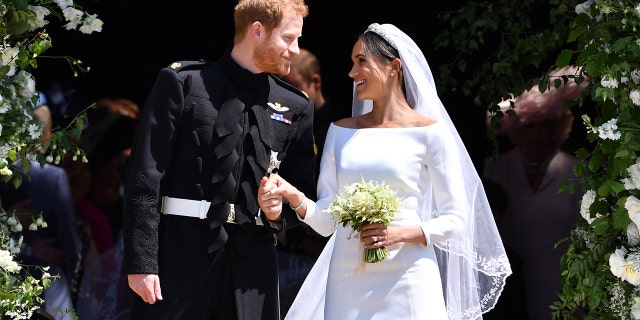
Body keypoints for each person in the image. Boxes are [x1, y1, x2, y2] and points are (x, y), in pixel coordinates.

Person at [258, 23, 512, 320]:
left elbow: (456, 219)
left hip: (410, 276)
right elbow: (327, 221)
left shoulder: (431, 134)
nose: (352, 73)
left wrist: (398, 233)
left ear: (394, 67)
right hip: (347, 278)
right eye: (353, 63)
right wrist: (293, 195)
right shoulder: (339, 132)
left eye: (361, 61)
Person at [121, 0, 316, 319]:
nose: (295, 50)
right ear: (257, 31)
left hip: (254, 271)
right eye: (289, 38)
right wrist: (141, 263)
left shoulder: (295, 105)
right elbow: (145, 178)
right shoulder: (184, 83)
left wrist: (280, 211)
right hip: (179, 258)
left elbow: (305, 190)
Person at [483, 66, 587, 320]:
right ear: (517, 128)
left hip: (564, 288)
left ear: (557, 126)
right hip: (512, 290)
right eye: (530, 126)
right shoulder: (496, 168)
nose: (538, 134)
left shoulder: (576, 171)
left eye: (546, 125)